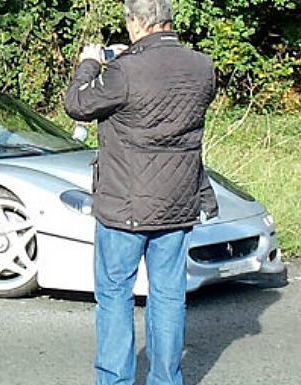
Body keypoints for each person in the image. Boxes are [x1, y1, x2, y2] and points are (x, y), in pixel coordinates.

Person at [63, 0, 219, 384]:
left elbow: (77, 103)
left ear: (135, 23)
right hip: (179, 199)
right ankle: (166, 379)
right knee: (167, 296)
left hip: (125, 203)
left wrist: (90, 63)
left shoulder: (124, 73)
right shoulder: (203, 66)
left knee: (115, 294)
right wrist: (122, 60)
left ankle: (114, 379)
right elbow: (161, 83)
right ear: (166, 21)